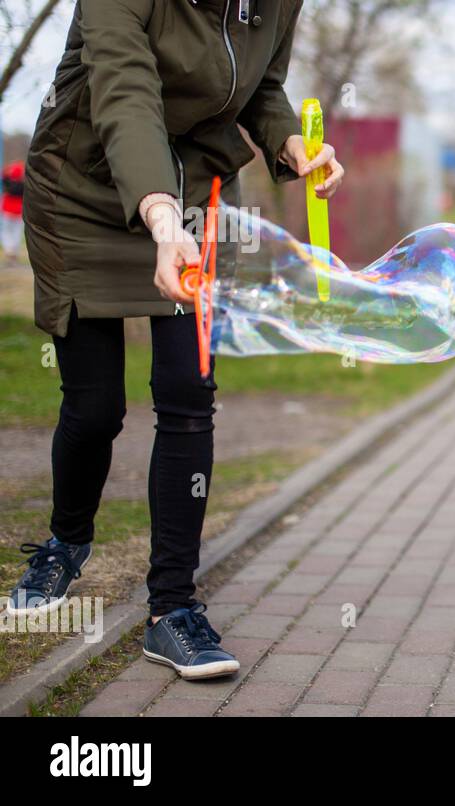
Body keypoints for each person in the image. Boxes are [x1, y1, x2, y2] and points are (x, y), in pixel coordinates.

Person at [10, 0, 344, 680]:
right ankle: (67, 542)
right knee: (96, 405)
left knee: (188, 392)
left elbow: (260, 87)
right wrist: (160, 221)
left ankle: (172, 609)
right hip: (82, 185)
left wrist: (290, 144)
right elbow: (128, 97)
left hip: (196, 188)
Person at [1, 160, 22, 259]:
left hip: (7, 211)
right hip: (18, 212)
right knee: (16, 232)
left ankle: (9, 249)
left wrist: (9, 169)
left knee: (5, 231)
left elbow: (3, 174)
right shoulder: (23, 185)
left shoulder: (7, 182)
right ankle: (14, 250)